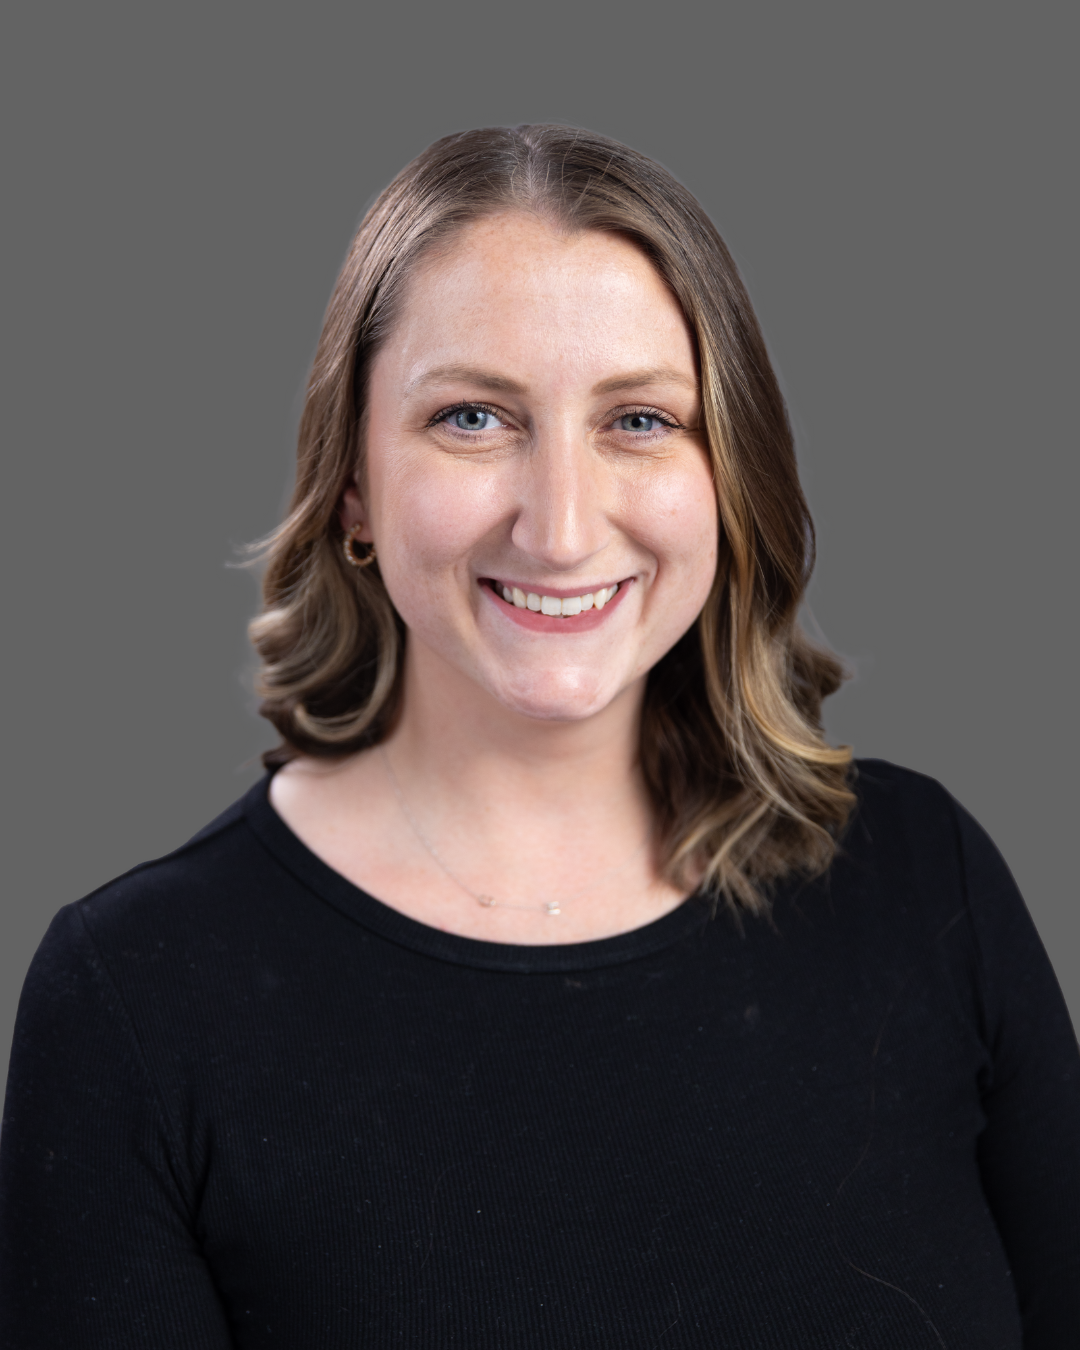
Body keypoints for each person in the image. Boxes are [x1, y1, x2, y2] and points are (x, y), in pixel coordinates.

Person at [1, 125, 1076, 1349]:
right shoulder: (135, 1000)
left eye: (640, 420)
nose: (561, 529)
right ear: (352, 485)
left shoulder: (925, 881)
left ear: (731, 473)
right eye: (473, 417)